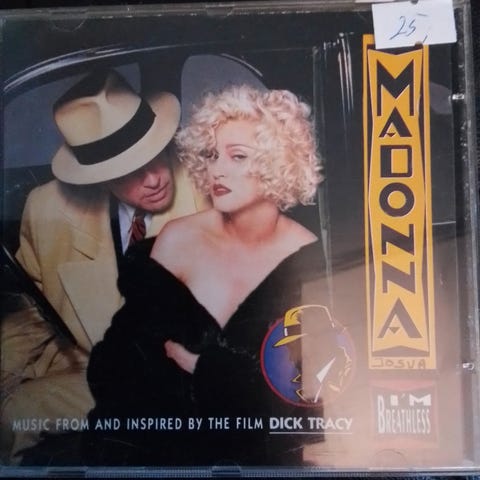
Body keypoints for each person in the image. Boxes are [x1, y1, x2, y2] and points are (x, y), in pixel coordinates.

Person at [85, 85, 328, 466]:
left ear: (277, 162)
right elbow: (113, 368)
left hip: (260, 462)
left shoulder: (308, 256)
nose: (217, 169)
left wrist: (203, 368)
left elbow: (309, 401)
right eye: (212, 155)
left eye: (238, 156)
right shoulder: (178, 238)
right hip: (154, 455)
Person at [0, 70, 208, 463]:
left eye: (153, 153)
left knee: (21, 410)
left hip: (177, 380)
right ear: (97, 178)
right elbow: (30, 316)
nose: (153, 178)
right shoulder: (47, 208)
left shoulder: (210, 191)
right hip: (86, 367)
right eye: (128, 170)